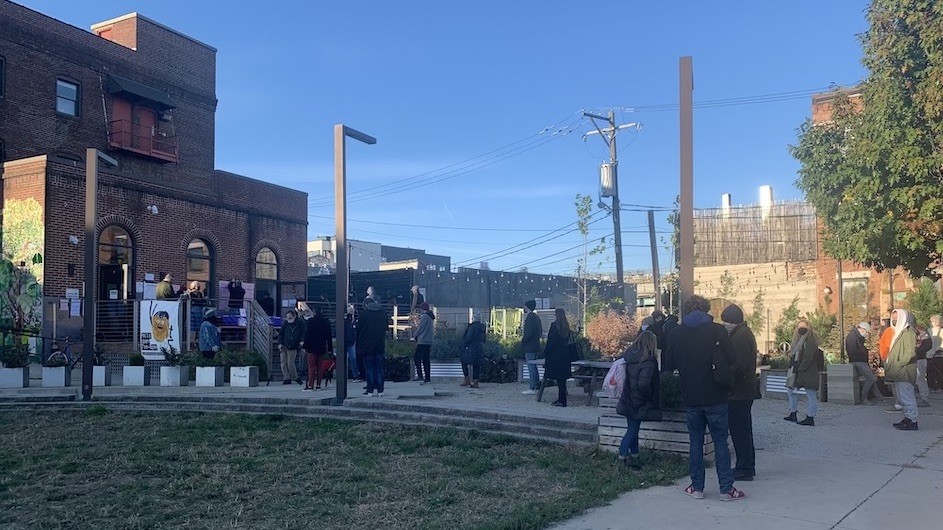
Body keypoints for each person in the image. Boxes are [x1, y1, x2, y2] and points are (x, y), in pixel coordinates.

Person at [663, 295, 744, 501]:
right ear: (707, 310)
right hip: (716, 395)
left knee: (695, 442)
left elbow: (668, 366)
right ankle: (726, 490)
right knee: (720, 443)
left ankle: (697, 488)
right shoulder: (717, 330)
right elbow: (734, 358)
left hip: (691, 396)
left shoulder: (675, 333)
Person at [721, 304, 758, 482]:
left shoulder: (740, 337)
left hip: (739, 392)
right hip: (744, 391)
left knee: (740, 431)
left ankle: (744, 468)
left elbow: (739, 366)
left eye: (725, 322)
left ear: (731, 321)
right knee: (743, 430)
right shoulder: (743, 333)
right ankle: (746, 466)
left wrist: (722, 375)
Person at [616, 330, 661, 470]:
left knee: (633, 429)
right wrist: (648, 396)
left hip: (628, 397)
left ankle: (635, 457)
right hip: (640, 400)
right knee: (632, 431)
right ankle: (621, 458)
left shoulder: (630, 357)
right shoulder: (648, 361)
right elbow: (644, 384)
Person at [784, 319, 823, 426]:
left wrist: (800, 369)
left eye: (803, 326)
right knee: (790, 390)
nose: (801, 329)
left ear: (808, 327)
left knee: (810, 394)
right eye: (799, 326)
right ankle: (793, 413)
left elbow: (808, 357)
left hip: (806, 371)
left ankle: (810, 417)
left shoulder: (810, 340)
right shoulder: (799, 340)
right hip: (797, 370)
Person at [884, 309, 919, 430]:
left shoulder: (908, 333)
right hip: (899, 370)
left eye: (896, 317)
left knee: (907, 396)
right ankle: (907, 417)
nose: (893, 320)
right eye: (892, 317)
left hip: (904, 370)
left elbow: (910, 353)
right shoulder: (899, 332)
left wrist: (899, 364)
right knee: (902, 396)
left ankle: (912, 421)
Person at [357, 296, 389, 397]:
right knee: (379, 368)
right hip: (379, 345)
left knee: (369, 368)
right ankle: (380, 390)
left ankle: (370, 390)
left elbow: (358, 330)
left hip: (367, 346)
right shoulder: (383, 313)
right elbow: (386, 328)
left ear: (366, 305)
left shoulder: (364, 314)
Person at [543, 308, 572, 407]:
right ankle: (562, 399)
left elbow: (551, 341)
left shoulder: (555, 326)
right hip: (565, 356)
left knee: (559, 379)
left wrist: (545, 351)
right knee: (562, 380)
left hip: (556, 355)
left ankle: (561, 400)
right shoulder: (566, 326)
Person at [845, 322, 879, 404]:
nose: (867, 334)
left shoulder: (856, 336)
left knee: (871, 378)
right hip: (858, 361)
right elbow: (853, 351)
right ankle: (864, 398)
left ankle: (878, 396)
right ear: (862, 329)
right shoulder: (853, 336)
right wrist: (864, 353)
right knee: (871, 378)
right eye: (866, 332)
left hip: (859, 361)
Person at [301, 308, 333, 390]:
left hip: (312, 347)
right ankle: (318, 384)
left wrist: (304, 346)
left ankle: (310, 385)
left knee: (311, 366)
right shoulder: (326, 322)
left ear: (314, 312)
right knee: (320, 366)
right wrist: (330, 349)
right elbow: (329, 337)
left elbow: (307, 334)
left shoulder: (310, 321)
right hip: (322, 346)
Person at [521, 300, 543, 395]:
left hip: (530, 346)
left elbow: (528, 333)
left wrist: (523, 340)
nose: (524, 308)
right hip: (536, 345)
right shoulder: (536, 317)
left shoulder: (529, 318)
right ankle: (537, 386)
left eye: (525, 307)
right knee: (534, 367)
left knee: (531, 367)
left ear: (527, 307)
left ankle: (532, 387)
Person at [277, 309, 304, 386]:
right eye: (288, 318)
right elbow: (280, 334)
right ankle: (286, 378)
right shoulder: (285, 324)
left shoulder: (299, 323)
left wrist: (302, 341)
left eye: (290, 318)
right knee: (283, 363)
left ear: (294, 316)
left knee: (290, 364)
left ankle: (295, 377)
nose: (289, 320)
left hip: (293, 346)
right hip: (284, 345)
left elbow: (302, 333)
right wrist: (280, 343)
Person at [461, 312, 487, 388]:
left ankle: (467, 380)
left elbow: (468, 338)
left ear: (473, 319)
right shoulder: (483, 327)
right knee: (476, 365)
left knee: (464, 361)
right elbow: (484, 339)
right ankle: (475, 382)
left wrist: (463, 345)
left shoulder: (472, 327)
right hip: (480, 347)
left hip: (472, 347)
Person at [413, 302, 435, 384]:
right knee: (426, 360)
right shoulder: (431, 317)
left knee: (417, 358)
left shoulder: (425, 317)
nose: (420, 310)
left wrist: (414, 336)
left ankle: (420, 376)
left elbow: (421, 328)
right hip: (429, 341)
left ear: (423, 309)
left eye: (421, 309)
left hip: (422, 341)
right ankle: (427, 378)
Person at [913, 320, 932, 407]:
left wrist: (916, 351)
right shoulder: (902, 329)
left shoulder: (920, 330)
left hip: (919, 358)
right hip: (907, 358)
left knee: (920, 378)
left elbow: (928, 344)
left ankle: (924, 398)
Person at [928, 314, 943, 391]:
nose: (933, 322)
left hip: (939, 354)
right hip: (929, 354)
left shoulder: (942, 331)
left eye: (935, 321)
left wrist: (940, 348)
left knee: (939, 371)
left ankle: (940, 386)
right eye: (932, 321)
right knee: (930, 371)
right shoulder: (929, 330)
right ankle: (931, 385)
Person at [344, 305, 360, 381]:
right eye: (349, 310)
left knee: (353, 359)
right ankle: (351, 374)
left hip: (352, 341)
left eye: (352, 310)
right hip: (346, 341)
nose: (351, 311)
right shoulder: (346, 320)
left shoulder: (355, 320)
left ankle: (355, 375)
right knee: (351, 358)